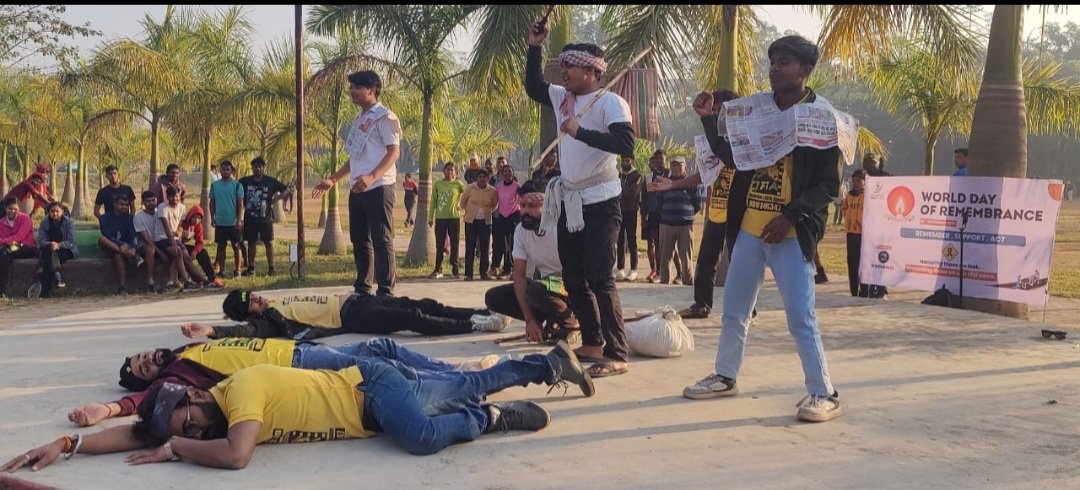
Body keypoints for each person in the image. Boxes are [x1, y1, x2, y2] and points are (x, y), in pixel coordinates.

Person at [5, 342, 593, 470]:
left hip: (371, 389)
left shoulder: (242, 393)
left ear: (196, 397)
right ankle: (546, 366)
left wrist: (176, 448)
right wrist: (67, 444)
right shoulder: (201, 413)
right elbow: (137, 434)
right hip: (369, 405)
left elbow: (236, 456)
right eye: (183, 430)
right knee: (471, 383)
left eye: (187, 423)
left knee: (420, 436)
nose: (191, 432)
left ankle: (487, 420)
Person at [683, 35, 843, 422]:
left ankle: (823, 392)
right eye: (773, 61)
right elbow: (732, 156)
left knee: (800, 317)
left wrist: (790, 217)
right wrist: (707, 119)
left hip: (791, 233)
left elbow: (828, 184)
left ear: (806, 71)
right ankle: (725, 376)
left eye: (784, 62)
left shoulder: (822, 118)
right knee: (735, 310)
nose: (774, 68)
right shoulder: (756, 110)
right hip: (750, 230)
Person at [67, 337, 500, 428]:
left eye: (142, 356)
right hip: (297, 364)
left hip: (293, 346)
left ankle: (453, 371)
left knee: (381, 349)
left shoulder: (185, 350)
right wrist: (107, 409)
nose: (148, 360)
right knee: (385, 369)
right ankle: (466, 381)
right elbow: (142, 400)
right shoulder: (178, 376)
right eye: (144, 367)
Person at [525, 21, 635, 378]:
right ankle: (592, 342)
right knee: (573, 277)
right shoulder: (563, 97)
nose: (564, 72)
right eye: (563, 66)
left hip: (602, 200)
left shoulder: (611, 103)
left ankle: (616, 353)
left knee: (601, 277)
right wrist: (534, 47)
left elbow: (626, 145)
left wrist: (580, 131)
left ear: (592, 71)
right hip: (570, 201)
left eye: (570, 66)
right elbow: (533, 87)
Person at [313, 70, 401, 297]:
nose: (352, 91)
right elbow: (354, 158)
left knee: (381, 238)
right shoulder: (360, 120)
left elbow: (394, 152)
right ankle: (363, 288)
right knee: (360, 239)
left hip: (379, 186)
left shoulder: (384, 117)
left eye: (357, 87)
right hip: (358, 188)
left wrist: (372, 176)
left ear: (372, 90)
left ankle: (386, 291)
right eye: (351, 87)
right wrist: (333, 179)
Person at [186, 289, 511, 340]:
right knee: (413, 318)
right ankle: (473, 326)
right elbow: (246, 333)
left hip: (359, 300)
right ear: (250, 314)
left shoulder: (274, 302)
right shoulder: (268, 321)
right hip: (354, 316)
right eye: (252, 303)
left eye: (253, 294)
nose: (258, 298)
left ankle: (480, 312)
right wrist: (212, 331)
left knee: (423, 304)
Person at [485, 181, 579, 345]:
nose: (526, 211)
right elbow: (519, 276)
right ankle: (546, 320)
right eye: (523, 206)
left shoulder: (561, 227)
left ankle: (572, 325)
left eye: (533, 206)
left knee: (537, 289)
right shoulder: (520, 232)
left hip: (571, 285)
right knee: (494, 297)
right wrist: (530, 319)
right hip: (545, 286)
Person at [239, 156, 287, 277]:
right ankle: (251, 268)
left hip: (265, 218)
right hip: (250, 218)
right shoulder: (245, 181)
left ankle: (271, 268)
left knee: (268, 243)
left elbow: (286, 189)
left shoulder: (270, 181)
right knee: (251, 243)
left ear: (263, 168)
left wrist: (276, 199)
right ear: (252, 168)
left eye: (259, 167)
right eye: (255, 167)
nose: (257, 169)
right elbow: (236, 192)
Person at [656, 157, 701, 285]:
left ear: (685, 167)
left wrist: (685, 215)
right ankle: (664, 285)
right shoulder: (665, 182)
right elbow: (658, 203)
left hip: (685, 226)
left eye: (679, 165)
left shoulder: (691, 183)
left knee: (686, 258)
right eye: (673, 165)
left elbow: (697, 204)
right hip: (666, 224)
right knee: (665, 258)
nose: (676, 168)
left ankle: (688, 285)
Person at [842, 170, 886, 299]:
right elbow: (844, 209)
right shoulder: (849, 196)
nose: (855, 184)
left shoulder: (869, 196)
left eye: (858, 181)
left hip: (864, 235)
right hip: (851, 234)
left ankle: (864, 290)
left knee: (864, 263)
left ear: (865, 182)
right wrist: (848, 219)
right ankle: (853, 291)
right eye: (854, 181)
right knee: (852, 263)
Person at [158, 187, 206, 291]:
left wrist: (179, 233)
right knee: (178, 252)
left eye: (177, 196)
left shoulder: (182, 207)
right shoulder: (162, 207)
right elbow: (166, 228)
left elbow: (180, 225)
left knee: (186, 257)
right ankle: (186, 282)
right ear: (168, 197)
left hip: (175, 239)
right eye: (172, 197)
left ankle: (202, 281)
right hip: (162, 238)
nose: (175, 199)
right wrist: (174, 243)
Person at [209, 160, 245, 279]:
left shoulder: (237, 185)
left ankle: (237, 271)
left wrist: (239, 220)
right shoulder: (215, 185)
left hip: (233, 222)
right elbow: (212, 202)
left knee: (236, 246)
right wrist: (212, 218)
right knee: (221, 246)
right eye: (223, 169)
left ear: (231, 171)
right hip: (220, 222)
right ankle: (222, 270)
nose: (225, 171)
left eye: (227, 169)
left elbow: (240, 204)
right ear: (220, 170)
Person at [460, 168, 498, 281]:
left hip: (485, 222)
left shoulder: (492, 190)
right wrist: (470, 211)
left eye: (484, 177)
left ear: (488, 178)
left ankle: (484, 273)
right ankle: (468, 274)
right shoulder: (470, 188)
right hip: (471, 221)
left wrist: (486, 211)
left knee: (485, 248)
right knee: (470, 247)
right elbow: (463, 202)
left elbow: (495, 205)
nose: (482, 179)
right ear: (477, 178)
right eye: (480, 177)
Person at [97, 195, 140, 295]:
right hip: (110, 246)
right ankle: (131, 256)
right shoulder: (104, 218)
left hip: (125, 248)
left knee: (118, 256)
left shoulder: (131, 218)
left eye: (126, 205)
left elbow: (133, 235)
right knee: (102, 239)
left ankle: (122, 287)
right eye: (122, 204)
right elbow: (107, 235)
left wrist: (133, 248)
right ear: (115, 205)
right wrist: (121, 244)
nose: (124, 207)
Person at [429, 163, 466, 279]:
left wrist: (461, 205)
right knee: (440, 244)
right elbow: (433, 201)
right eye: (448, 169)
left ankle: (455, 269)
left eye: (452, 170)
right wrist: (430, 217)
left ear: (455, 172)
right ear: (443, 171)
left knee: (454, 244)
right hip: (440, 218)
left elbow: (467, 195)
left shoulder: (458, 184)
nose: (449, 172)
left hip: (454, 217)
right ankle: (438, 269)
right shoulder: (438, 184)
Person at [34, 202, 78, 298]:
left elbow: (70, 241)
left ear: (62, 211)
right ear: (48, 212)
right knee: (49, 253)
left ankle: (46, 291)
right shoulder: (45, 222)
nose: (55, 214)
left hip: (66, 249)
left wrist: (58, 245)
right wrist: (51, 244)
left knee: (48, 258)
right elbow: (41, 240)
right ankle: (57, 277)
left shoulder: (69, 222)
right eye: (52, 211)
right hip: (48, 248)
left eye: (57, 211)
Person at [640, 150, 670, 284]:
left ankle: (678, 273)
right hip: (653, 215)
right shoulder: (648, 177)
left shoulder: (670, 175)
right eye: (657, 159)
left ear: (665, 160)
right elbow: (644, 199)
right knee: (656, 243)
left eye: (661, 159)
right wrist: (643, 217)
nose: (659, 161)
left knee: (670, 245)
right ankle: (658, 271)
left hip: (668, 214)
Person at [0, 197, 37, 298]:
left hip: (26, 247)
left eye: (15, 209)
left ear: (19, 209)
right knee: (3, 255)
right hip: (9, 247)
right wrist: (7, 242)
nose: (12, 211)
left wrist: (6, 241)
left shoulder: (25, 219)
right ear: (5, 208)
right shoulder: (1, 222)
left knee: (5, 254)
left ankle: (1, 289)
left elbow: (20, 237)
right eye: (10, 208)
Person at [180, 205, 223, 289]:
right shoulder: (183, 222)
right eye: (194, 217)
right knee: (184, 255)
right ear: (190, 216)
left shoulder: (198, 226)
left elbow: (200, 242)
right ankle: (194, 278)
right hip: (178, 245)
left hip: (185, 246)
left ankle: (213, 278)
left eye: (199, 218)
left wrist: (195, 251)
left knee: (203, 253)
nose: (196, 220)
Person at [490, 165, 521, 279]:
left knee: (512, 243)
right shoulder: (498, 186)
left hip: (513, 216)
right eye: (505, 172)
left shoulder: (517, 186)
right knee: (502, 243)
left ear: (512, 173)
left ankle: (512, 269)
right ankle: (503, 268)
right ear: (502, 174)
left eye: (509, 171)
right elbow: (495, 201)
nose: (507, 173)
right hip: (502, 217)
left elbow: (520, 200)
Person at [616, 154, 643, 281]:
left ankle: (633, 269)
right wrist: (621, 191)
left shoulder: (637, 176)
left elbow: (632, 193)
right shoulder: (617, 174)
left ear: (632, 161)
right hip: (619, 211)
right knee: (620, 240)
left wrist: (620, 191)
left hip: (631, 211)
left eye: (627, 160)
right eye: (623, 160)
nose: (625, 163)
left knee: (632, 239)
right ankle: (620, 268)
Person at [132, 191, 165, 294]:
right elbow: (146, 239)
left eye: (153, 200)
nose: (151, 203)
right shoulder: (138, 217)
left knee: (174, 250)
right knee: (151, 249)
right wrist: (160, 252)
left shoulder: (161, 213)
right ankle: (150, 280)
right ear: (143, 202)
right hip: (144, 244)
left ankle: (173, 282)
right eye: (148, 201)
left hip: (159, 241)